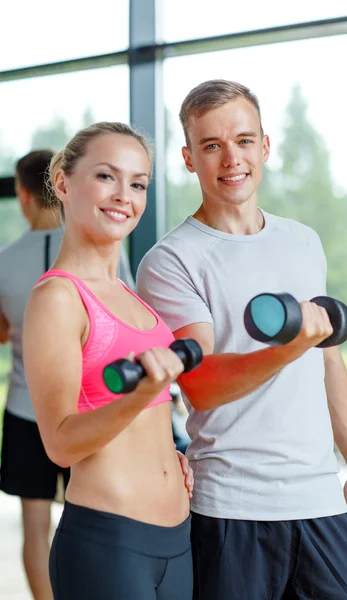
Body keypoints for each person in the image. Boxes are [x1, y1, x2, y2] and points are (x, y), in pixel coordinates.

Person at [136, 79, 347, 600]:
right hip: (232, 508)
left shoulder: (302, 241)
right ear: (188, 158)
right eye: (212, 145)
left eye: (244, 140)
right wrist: (290, 346)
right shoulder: (171, 261)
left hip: (319, 502)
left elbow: (328, 360)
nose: (232, 159)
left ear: (264, 146)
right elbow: (200, 384)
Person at [22, 122, 194, 600]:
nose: (124, 196)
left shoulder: (130, 294)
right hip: (110, 544)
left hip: (178, 538)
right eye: (105, 177)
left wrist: (173, 455)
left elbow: (150, 420)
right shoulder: (58, 298)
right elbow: (60, 444)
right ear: (62, 183)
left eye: (138, 183)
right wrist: (136, 397)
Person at [0, 149, 137, 600]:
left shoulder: (4, 261)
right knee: (100, 520)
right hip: (93, 411)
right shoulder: (99, 254)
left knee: (36, 526)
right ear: (61, 187)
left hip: (26, 412)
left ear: (22, 196)